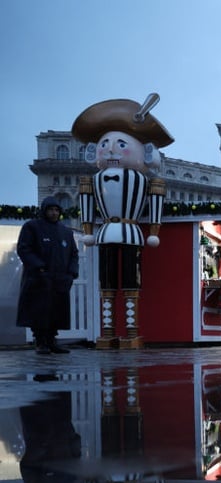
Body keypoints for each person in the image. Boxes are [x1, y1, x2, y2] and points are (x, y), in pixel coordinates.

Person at [72, 95, 173, 349]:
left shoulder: (144, 180)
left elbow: (156, 202)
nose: (112, 150)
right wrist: (88, 230)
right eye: (105, 143)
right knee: (106, 285)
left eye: (120, 143)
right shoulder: (93, 180)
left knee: (131, 283)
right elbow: (86, 203)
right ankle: (107, 331)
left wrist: (154, 231)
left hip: (131, 233)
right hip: (106, 232)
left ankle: (131, 331)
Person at [16, 197, 80, 354]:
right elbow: (24, 249)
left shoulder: (65, 231)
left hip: (60, 280)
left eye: (57, 210)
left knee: (57, 311)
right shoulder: (32, 227)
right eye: (51, 209)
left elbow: (74, 254)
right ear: (44, 210)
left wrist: (71, 273)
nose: (54, 213)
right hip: (39, 279)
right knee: (39, 312)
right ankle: (40, 342)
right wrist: (40, 268)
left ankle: (52, 341)